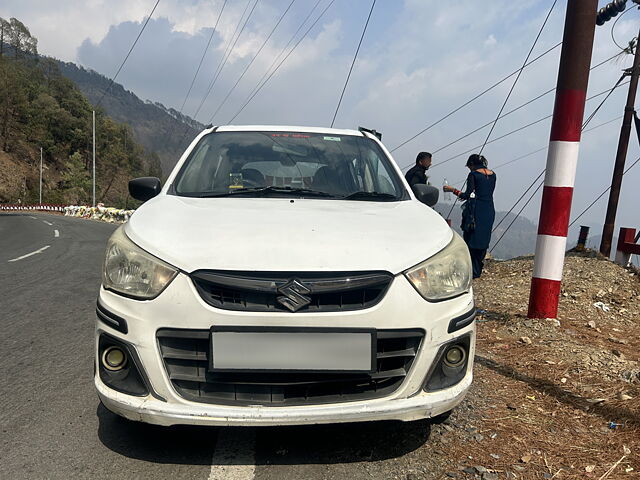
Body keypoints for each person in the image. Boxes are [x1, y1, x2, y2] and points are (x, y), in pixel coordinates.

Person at [443, 154, 496, 279]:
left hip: (476, 210)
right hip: (488, 209)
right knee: (483, 238)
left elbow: (467, 195)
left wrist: (452, 190)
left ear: (472, 164)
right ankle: (477, 269)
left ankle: (470, 270)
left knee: (471, 237)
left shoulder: (473, 175)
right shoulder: (493, 175)